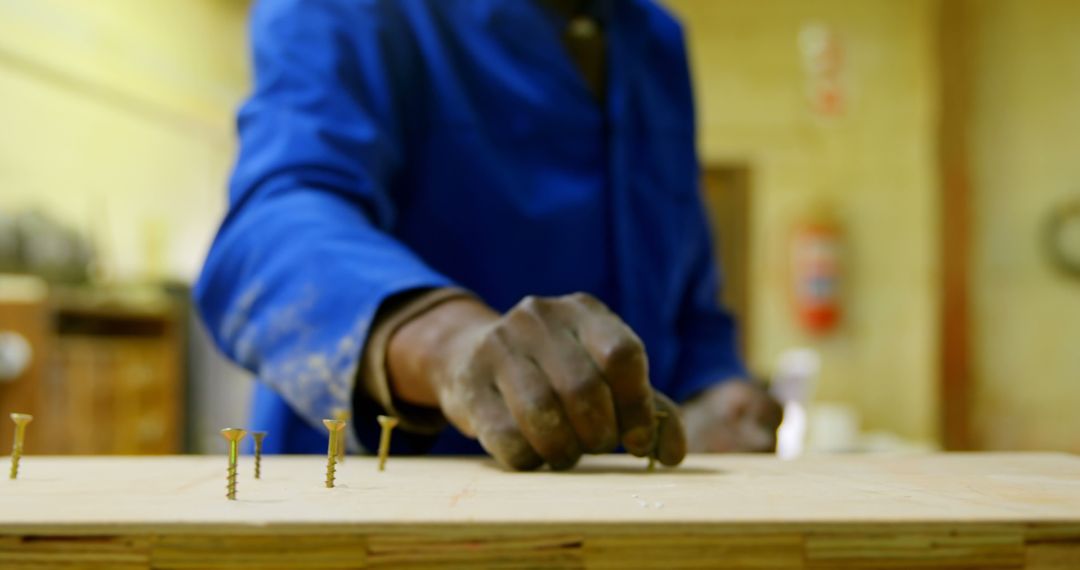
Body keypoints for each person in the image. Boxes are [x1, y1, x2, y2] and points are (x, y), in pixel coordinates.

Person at [195, 0, 782, 470]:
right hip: (377, 517)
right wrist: (448, 343)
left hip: (607, 521)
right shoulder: (352, 11)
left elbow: (688, 301)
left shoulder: (655, 41)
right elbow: (272, 228)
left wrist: (715, 391)